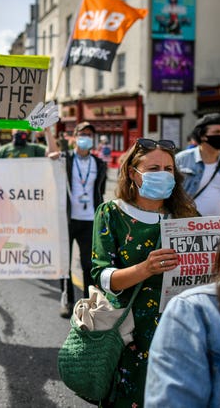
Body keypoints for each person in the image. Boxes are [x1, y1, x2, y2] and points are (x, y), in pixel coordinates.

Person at [90, 138, 197, 407]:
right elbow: (102, 275)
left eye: (168, 168)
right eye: (152, 169)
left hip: (180, 332)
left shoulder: (186, 215)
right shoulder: (111, 214)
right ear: (132, 173)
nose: (162, 174)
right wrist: (144, 269)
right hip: (130, 335)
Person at [144, 230, 220, 408]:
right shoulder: (194, 312)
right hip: (142, 327)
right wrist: (144, 268)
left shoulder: (192, 310)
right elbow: (101, 274)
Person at [60, 122, 107, 317]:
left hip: (90, 220)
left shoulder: (99, 164)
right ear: (75, 136)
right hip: (67, 220)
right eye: (82, 134)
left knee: (89, 264)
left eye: (89, 134)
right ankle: (67, 300)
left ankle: (88, 302)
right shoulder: (65, 160)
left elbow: (100, 191)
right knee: (66, 264)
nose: (86, 137)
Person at [175, 113, 220, 217]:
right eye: (217, 132)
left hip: (219, 228)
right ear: (202, 135)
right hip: (186, 225)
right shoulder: (182, 159)